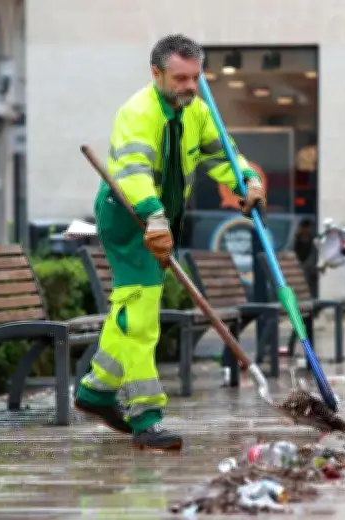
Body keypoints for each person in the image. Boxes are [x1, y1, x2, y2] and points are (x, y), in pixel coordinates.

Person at [73, 34, 266, 450]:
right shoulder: (137, 112)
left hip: (164, 219)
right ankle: (146, 417)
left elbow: (222, 156)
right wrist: (154, 219)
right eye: (180, 78)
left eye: (195, 77)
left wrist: (247, 180)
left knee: (131, 310)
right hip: (129, 218)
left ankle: (96, 390)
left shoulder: (197, 110)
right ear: (156, 73)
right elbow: (134, 173)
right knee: (142, 317)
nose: (190, 86)